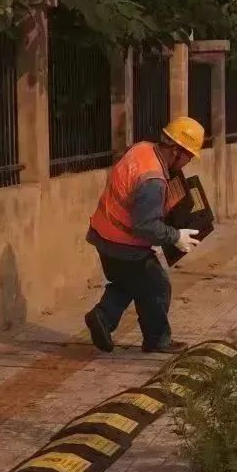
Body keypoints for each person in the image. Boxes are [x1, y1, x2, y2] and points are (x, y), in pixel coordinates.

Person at [84, 116, 205, 355]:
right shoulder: (154, 180)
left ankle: (103, 316)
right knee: (157, 287)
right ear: (176, 151)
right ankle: (157, 340)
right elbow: (146, 226)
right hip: (124, 244)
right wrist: (175, 236)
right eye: (189, 156)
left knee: (128, 283)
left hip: (103, 234)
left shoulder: (142, 150)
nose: (188, 163)